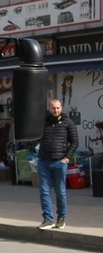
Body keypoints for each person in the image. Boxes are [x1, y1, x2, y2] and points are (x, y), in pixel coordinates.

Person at [36, 98, 78, 230]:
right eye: (53, 108)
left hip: (59, 162)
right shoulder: (44, 122)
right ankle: (48, 219)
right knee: (44, 191)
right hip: (44, 162)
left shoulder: (68, 123)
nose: (55, 110)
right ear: (49, 109)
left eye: (58, 108)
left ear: (62, 108)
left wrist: (66, 157)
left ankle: (61, 218)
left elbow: (75, 142)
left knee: (60, 192)